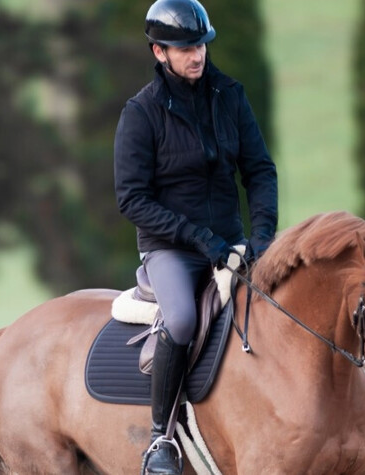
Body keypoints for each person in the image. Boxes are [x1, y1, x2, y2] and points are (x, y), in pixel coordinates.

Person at [113, 0, 278, 473]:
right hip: (171, 249)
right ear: (159, 52)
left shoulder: (231, 96)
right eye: (185, 48)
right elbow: (132, 199)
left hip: (232, 245)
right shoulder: (141, 113)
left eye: (201, 45)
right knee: (183, 320)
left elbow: (260, 171)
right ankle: (160, 441)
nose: (197, 55)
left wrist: (263, 235)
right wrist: (199, 239)